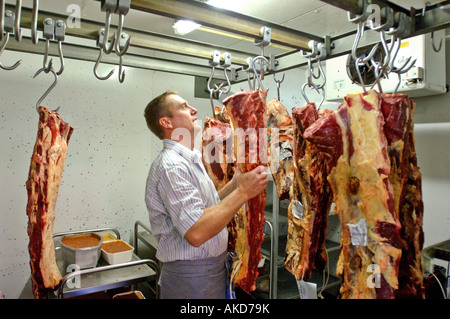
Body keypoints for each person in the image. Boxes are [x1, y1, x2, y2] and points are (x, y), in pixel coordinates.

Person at [144, 90, 268, 299]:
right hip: (191, 278)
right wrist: (243, 192)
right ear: (166, 122)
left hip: (210, 272)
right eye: (183, 107)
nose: (193, 109)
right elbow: (196, 232)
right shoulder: (172, 166)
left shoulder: (188, 160)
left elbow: (206, 208)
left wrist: (234, 184)